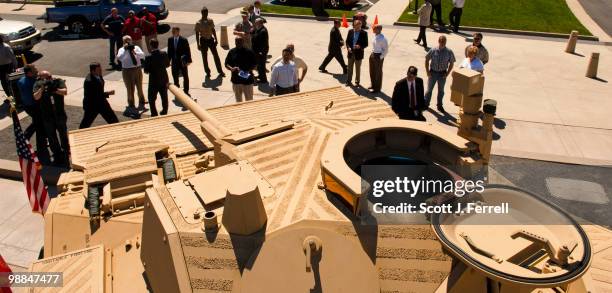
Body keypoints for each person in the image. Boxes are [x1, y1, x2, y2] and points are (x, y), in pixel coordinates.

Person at [33, 71, 68, 166]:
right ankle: (57, 154)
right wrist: (42, 88)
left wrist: (55, 90)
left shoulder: (58, 81)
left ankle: (66, 150)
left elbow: (65, 92)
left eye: (49, 76)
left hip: (59, 114)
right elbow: (36, 97)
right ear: (40, 78)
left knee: (63, 134)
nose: (49, 79)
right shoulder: (38, 84)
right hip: (48, 117)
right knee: (52, 136)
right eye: (46, 78)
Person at [17, 65, 48, 159]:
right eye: (34, 70)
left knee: (36, 123)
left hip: (27, 106)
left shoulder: (20, 80)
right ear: (29, 72)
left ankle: (25, 140)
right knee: (38, 125)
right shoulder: (33, 82)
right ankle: (39, 145)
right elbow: (37, 94)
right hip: (34, 106)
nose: (37, 70)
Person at [80, 62, 119, 129]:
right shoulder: (89, 81)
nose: (101, 71)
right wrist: (108, 93)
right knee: (85, 125)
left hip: (102, 103)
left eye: (100, 69)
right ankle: (79, 136)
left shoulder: (98, 75)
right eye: (99, 70)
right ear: (93, 71)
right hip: (92, 106)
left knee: (114, 121)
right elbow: (95, 96)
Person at [116, 35, 146, 116]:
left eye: (129, 40)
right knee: (130, 88)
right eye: (126, 41)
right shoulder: (121, 49)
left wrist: (134, 51)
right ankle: (131, 103)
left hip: (137, 69)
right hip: (127, 70)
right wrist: (126, 50)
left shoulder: (136, 47)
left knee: (139, 86)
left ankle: (142, 100)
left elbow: (143, 55)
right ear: (123, 42)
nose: (128, 42)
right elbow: (119, 58)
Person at [424, 35, 455, 113]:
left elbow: (451, 63)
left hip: (442, 74)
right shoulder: (433, 50)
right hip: (433, 73)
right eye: (440, 41)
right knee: (429, 90)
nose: (442, 43)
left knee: (441, 91)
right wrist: (427, 71)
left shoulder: (449, 51)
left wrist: (447, 74)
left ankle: (439, 105)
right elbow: (427, 60)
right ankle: (425, 104)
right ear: (438, 41)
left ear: (445, 42)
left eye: (443, 41)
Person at [195, 7, 225, 78]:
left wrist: (216, 39)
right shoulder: (198, 23)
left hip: (210, 39)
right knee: (204, 57)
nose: (205, 14)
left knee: (216, 56)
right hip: (203, 40)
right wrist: (198, 44)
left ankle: (220, 71)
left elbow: (213, 29)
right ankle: (207, 72)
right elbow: (197, 34)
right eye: (204, 13)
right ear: (202, 13)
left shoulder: (210, 21)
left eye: (206, 13)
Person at [225, 37, 257, 102]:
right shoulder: (232, 52)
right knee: (238, 101)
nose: (238, 43)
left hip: (247, 81)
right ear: (235, 42)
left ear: (243, 42)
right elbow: (226, 63)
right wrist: (231, 69)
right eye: (237, 42)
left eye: (240, 42)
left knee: (249, 100)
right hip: (236, 81)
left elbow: (255, 65)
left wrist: (246, 70)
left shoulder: (249, 52)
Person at [144, 39, 170, 116]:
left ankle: (154, 113)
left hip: (153, 81)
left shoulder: (148, 57)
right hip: (163, 79)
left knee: (151, 98)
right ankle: (164, 111)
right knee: (164, 96)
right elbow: (168, 65)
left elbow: (146, 71)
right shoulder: (164, 53)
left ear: (151, 45)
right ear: (157, 44)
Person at [168, 27, 192, 96]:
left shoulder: (184, 40)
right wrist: (168, 61)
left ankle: (186, 90)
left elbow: (188, 51)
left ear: (178, 32)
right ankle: (177, 89)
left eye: (174, 31)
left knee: (185, 76)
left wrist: (189, 61)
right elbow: (169, 51)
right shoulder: (170, 40)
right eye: (172, 31)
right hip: (174, 61)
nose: (173, 32)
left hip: (182, 61)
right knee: (175, 75)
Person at [345, 20, 368, 87]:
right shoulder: (350, 31)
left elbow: (366, 44)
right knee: (349, 68)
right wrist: (348, 48)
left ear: (360, 25)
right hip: (350, 53)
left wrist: (360, 46)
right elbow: (347, 41)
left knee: (357, 69)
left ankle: (357, 82)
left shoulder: (364, 33)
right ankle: (348, 81)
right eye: (355, 26)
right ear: (354, 25)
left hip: (358, 54)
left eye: (358, 26)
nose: (356, 28)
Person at [368, 24, 388, 93]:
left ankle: (377, 88)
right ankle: (373, 85)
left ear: (379, 30)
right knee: (372, 71)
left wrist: (380, 57)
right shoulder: (375, 36)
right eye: (373, 28)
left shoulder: (383, 38)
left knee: (378, 73)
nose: (373, 29)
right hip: (373, 54)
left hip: (378, 56)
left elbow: (386, 50)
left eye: (375, 28)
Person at [251, 18, 269, 83]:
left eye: (256, 23)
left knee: (261, 66)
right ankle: (260, 76)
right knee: (259, 66)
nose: (255, 24)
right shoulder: (259, 29)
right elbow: (253, 33)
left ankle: (263, 80)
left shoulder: (263, 31)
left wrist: (261, 52)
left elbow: (263, 44)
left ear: (260, 23)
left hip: (260, 52)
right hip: (257, 51)